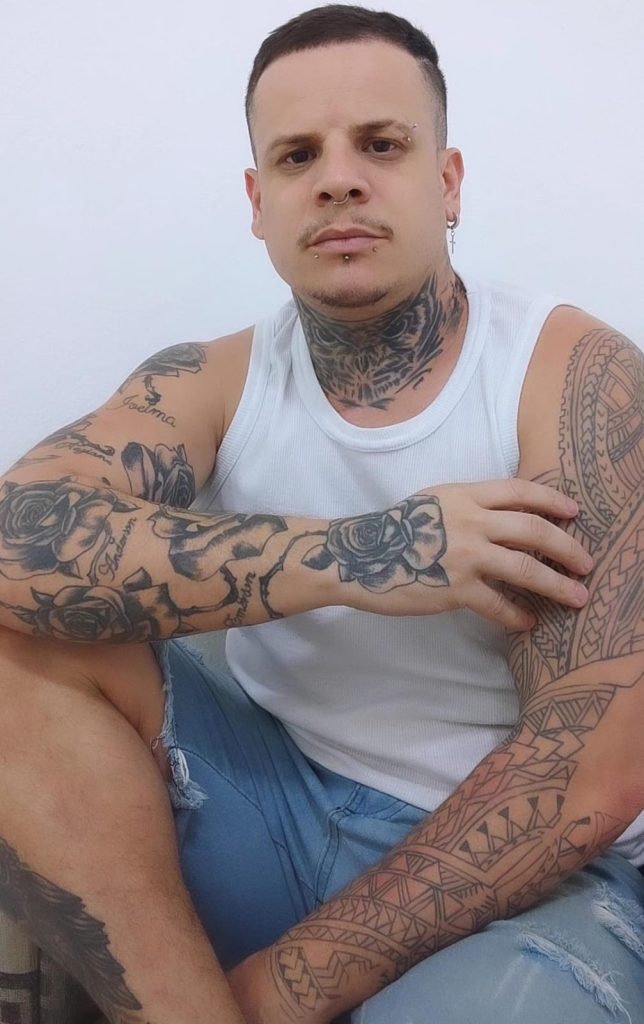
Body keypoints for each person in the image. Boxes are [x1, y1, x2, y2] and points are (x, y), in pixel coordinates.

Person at [0, 6, 642, 1023]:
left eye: (380, 145)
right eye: (298, 155)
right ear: (258, 204)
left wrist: (270, 992)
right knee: (16, 641)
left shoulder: (569, 377)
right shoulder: (212, 380)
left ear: (448, 182)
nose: (338, 179)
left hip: (518, 882)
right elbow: (16, 540)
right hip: (274, 812)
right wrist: (372, 555)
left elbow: (587, 777)